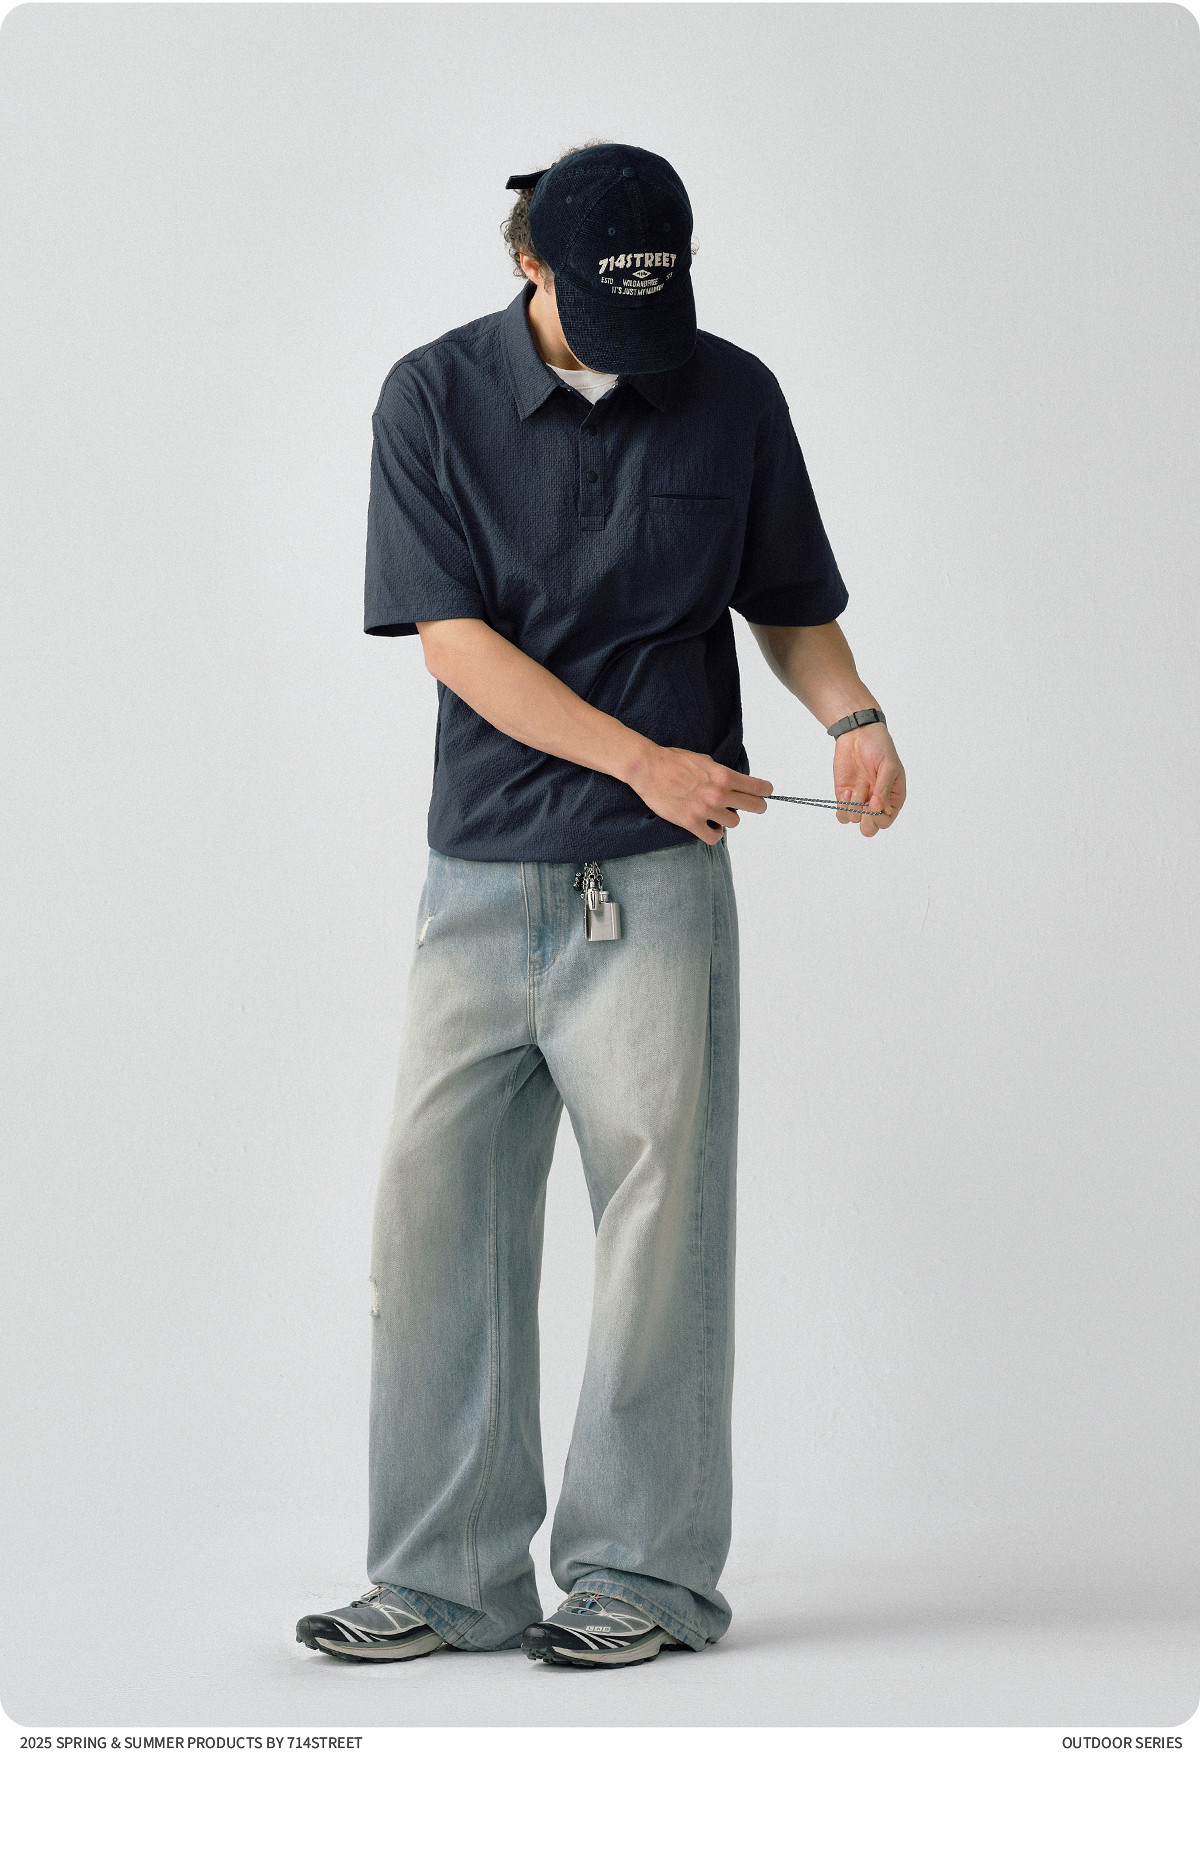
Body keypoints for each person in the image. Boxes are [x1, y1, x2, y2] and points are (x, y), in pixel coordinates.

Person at [297, 139, 906, 1671]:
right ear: (530, 264)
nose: (642, 346)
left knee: (659, 1228)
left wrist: (853, 717)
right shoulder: (430, 397)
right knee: (434, 1218)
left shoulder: (733, 393)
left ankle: (642, 1573)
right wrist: (643, 758)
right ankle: (446, 1576)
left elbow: (791, 604)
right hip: (481, 871)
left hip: (656, 888)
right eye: (605, 307)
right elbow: (454, 642)